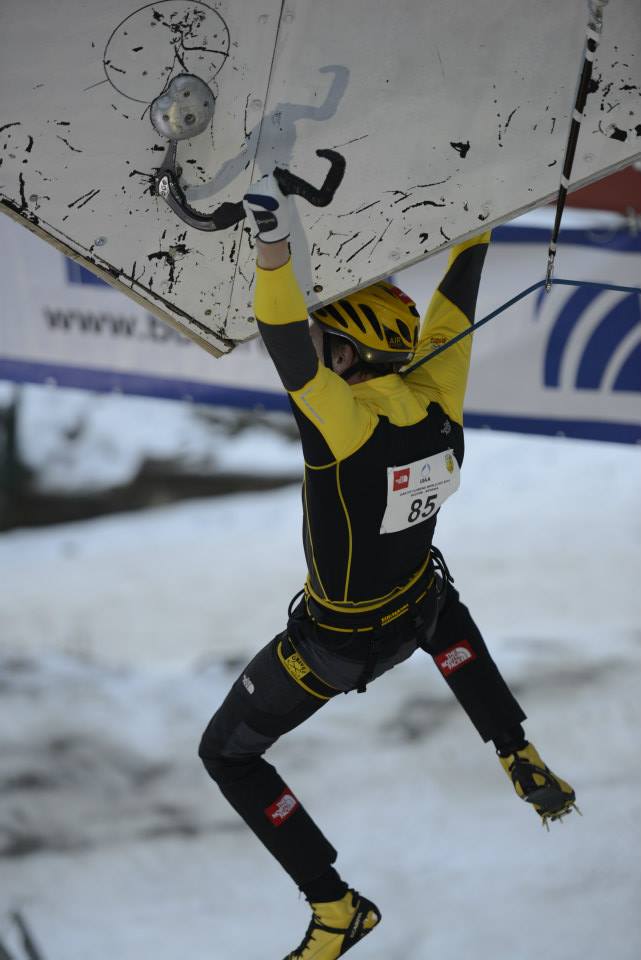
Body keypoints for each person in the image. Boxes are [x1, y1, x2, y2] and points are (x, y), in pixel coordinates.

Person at [198, 175, 577, 960]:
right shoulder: (435, 398)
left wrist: (274, 240)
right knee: (435, 596)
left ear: (351, 355)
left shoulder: (344, 424)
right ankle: (514, 748)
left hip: (330, 651)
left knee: (227, 756)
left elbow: (280, 334)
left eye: (330, 345)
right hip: (414, 616)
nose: (322, 358)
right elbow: (457, 304)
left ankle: (336, 907)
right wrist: (490, 212)